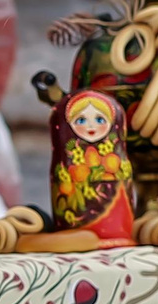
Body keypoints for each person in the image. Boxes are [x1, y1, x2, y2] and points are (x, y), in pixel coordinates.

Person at [48, 87, 137, 246]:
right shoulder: (69, 161)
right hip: (75, 237)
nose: (91, 126)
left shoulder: (115, 159)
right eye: (81, 120)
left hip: (119, 229)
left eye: (100, 120)